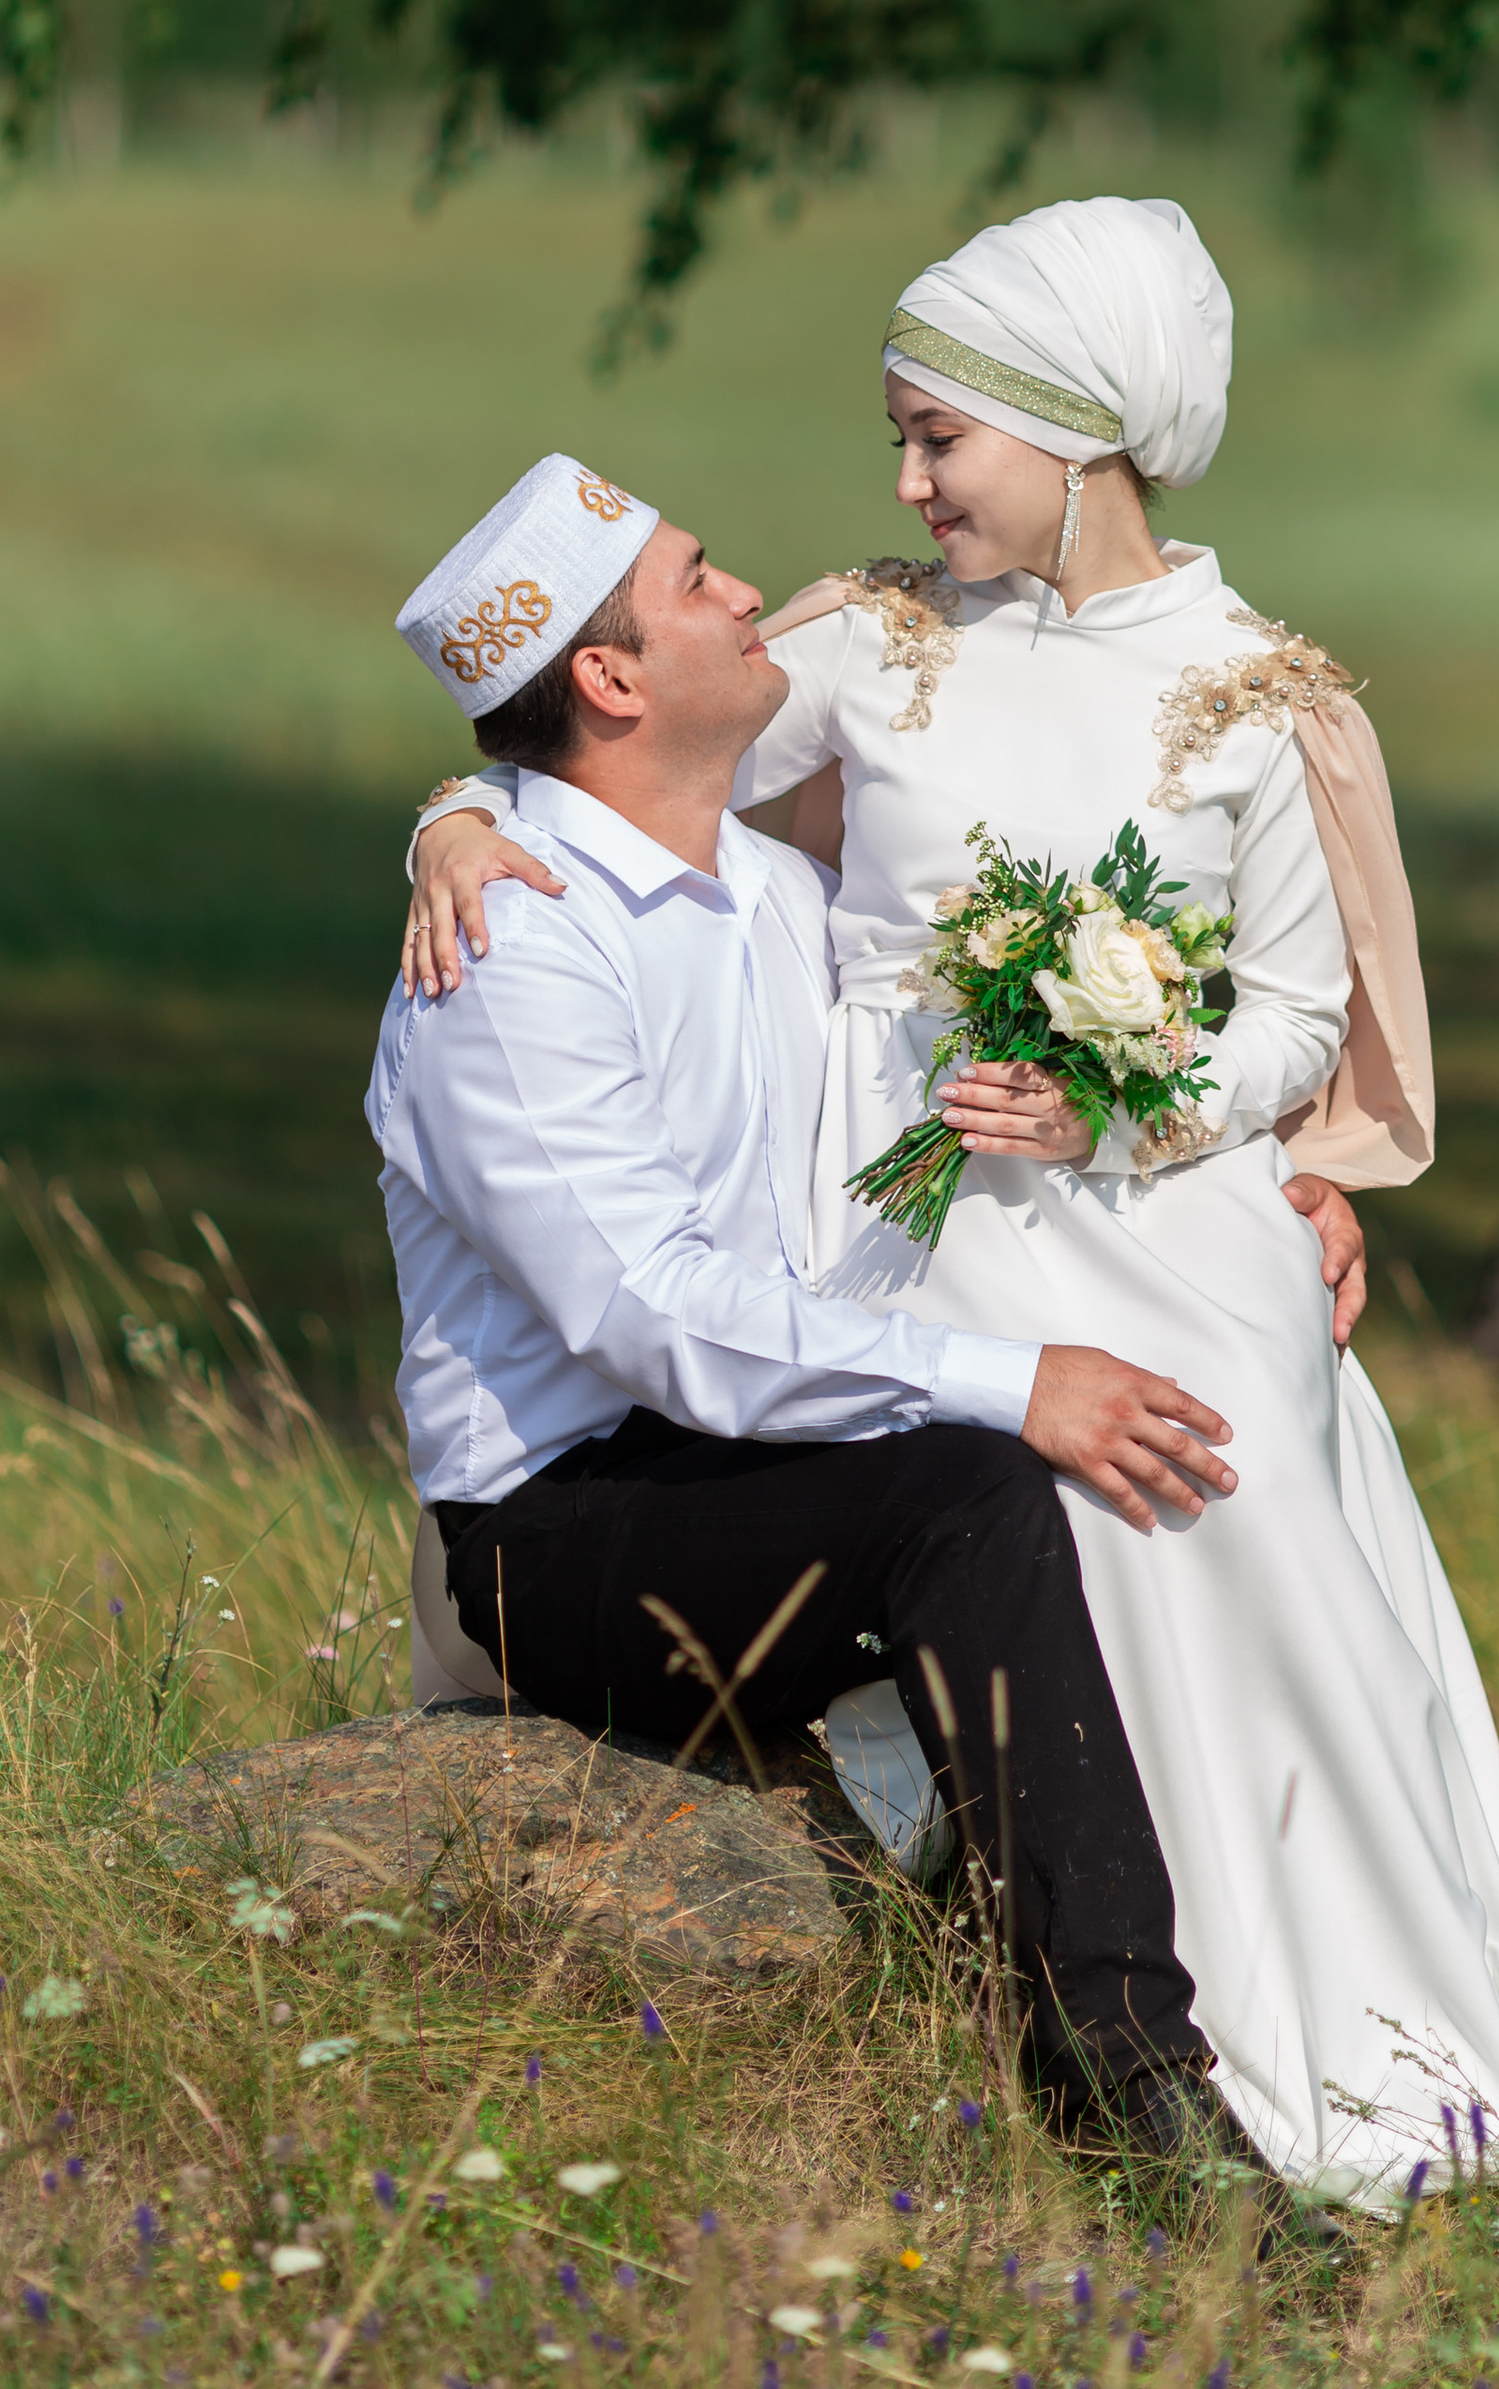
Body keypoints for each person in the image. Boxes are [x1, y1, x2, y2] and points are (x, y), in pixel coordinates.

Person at [407, 205, 1499, 2207]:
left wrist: (1163, 1102)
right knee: (996, 1500)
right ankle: (1063, 1992)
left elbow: (1296, 1006)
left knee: (1237, 1504)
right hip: (902, 1214)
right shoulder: (873, 643)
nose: (901, 480)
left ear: (1076, 430)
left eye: (938, 437)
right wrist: (446, 820)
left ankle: (1309, 2007)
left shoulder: (1255, 692)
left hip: (1166, 1203)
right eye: (898, 437)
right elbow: (589, 762)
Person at [371, 447, 1236, 2145]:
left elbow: (975, 1022)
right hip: (562, 1524)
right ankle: (1128, 2088)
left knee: (1106, 1463)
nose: (748, 592)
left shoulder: (769, 893)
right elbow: (654, 1319)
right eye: (697, 581)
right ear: (611, 679)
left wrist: (1277, 1183)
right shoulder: (509, 955)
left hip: (741, 1472)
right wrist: (1005, 1378)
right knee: (974, 1484)